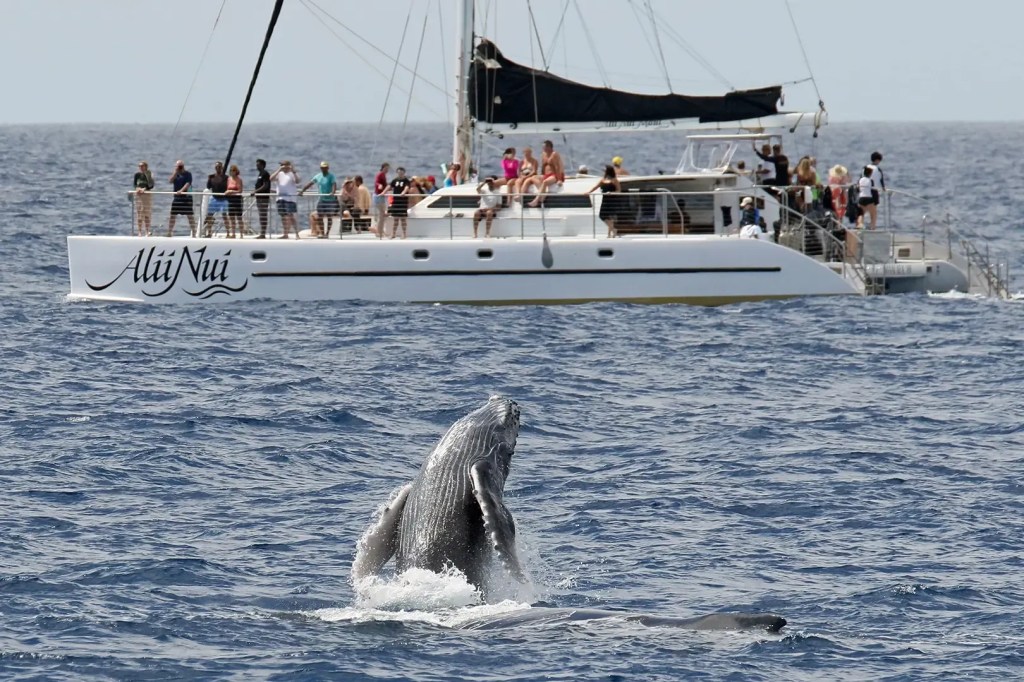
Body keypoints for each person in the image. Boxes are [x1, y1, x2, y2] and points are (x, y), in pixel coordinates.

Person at [301, 161, 339, 238]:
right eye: (322, 168)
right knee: (319, 216)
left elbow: (334, 184)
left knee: (329, 216)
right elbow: (310, 183)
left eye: (325, 168)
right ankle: (322, 232)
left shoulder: (331, 176)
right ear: (320, 168)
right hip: (322, 199)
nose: (324, 169)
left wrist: (333, 192)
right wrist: (302, 190)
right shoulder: (318, 176)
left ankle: (327, 233)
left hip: (330, 200)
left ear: (328, 168)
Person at [527, 140, 565, 207]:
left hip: (554, 175)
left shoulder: (554, 154)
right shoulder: (543, 154)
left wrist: (559, 179)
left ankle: (536, 200)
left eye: (544, 147)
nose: (543, 148)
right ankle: (542, 193)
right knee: (533, 177)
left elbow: (557, 167)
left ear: (549, 147)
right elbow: (543, 167)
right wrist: (541, 175)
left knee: (545, 182)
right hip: (546, 174)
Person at [167, 160, 196, 237]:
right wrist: (175, 172)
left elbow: (188, 183)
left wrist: (181, 191)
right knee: (172, 215)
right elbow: (170, 181)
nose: (179, 168)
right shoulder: (176, 174)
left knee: (190, 216)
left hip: (186, 198)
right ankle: (169, 232)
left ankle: (194, 232)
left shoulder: (188, 174)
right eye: (178, 166)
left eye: (181, 166)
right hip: (177, 198)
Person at [270, 160, 300, 239]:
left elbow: (298, 181)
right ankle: (285, 233)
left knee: (290, 216)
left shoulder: (292, 174)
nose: (282, 166)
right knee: (283, 216)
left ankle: (297, 233)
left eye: (283, 165)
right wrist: (279, 170)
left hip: (290, 198)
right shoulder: (279, 173)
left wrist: (293, 171)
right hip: (280, 198)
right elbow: (271, 178)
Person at [591, 164, 622, 237]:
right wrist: (589, 192)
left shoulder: (614, 180)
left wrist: (612, 193)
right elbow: (595, 187)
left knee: (610, 217)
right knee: (602, 216)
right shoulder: (603, 180)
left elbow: (619, 190)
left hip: (612, 200)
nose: (603, 172)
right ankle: (613, 230)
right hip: (605, 200)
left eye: (605, 170)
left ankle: (610, 234)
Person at [202, 161, 229, 238]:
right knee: (209, 215)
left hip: (223, 199)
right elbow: (208, 187)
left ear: (222, 168)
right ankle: (209, 232)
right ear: (215, 168)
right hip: (214, 198)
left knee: (224, 216)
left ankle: (228, 233)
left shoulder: (226, 177)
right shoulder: (211, 177)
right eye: (217, 167)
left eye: (219, 167)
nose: (218, 168)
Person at [386, 166, 413, 238]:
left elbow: (407, 187)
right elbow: (389, 186)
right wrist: (383, 192)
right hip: (396, 202)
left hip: (403, 202)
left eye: (401, 172)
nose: (400, 174)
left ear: (404, 173)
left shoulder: (406, 181)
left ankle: (404, 233)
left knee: (403, 219)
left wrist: (403, 192)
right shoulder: (395, 180)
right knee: (395, 219)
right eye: (399, 172)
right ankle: (393, 233)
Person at [132, 161, 154, 236]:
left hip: (146, 194)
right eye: (139, 166)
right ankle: (139, 231)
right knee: (139, 213)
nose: (141, 167)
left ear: (146, 167)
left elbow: (151, 185)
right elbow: (135, 184)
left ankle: (147, 231)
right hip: (139, 195)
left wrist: (145, 188)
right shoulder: (137, 175)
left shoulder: (149, 174)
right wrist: (137, 188)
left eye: (142, 166)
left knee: (146, 213)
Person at [251, 158, 271, 238]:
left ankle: (263, 233)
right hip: (259, 197)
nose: (257, 166)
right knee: (261, 215)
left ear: (262, 165)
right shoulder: (260, 174)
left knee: (263, 215)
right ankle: (262, 233)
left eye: (258, 164)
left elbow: (265, 185)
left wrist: (255, 191)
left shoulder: (265, 173)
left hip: (263, 197)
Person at [867, 151, 885, 220]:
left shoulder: (866, 168)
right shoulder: (878, 169)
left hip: (865, 190)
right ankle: (873, 226)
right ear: (877, 160)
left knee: (865, 210)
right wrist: (883, 188)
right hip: (874, 191)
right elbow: (881, 181)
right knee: (873, 211)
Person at [373, 162, 390, 236]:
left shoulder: (383, 175)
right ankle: (379, 232)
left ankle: (380, 230)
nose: (387, 170)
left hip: (381, 196)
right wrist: (379, 185)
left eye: (388, 169)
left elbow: (385, 185)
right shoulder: (380, 174)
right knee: (382, 214)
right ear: (382, 168)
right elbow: (377, 182)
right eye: (386, 168)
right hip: (378, 196)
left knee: (382, 215)